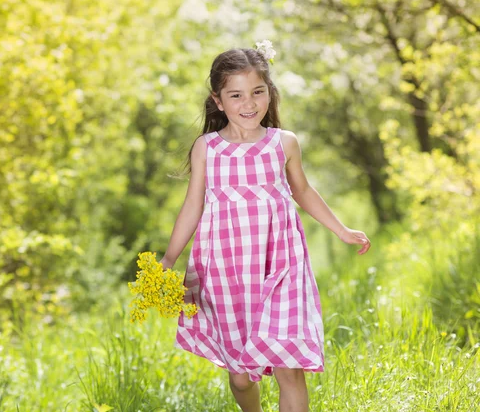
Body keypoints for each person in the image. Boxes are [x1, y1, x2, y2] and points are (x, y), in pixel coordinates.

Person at [159, 43, 371, 412]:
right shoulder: (206, 148)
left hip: (280, 264)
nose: (249, 103)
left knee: (290, 366)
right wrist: (168, 259)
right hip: (225, 270)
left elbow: (302, 190)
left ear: (269, 92)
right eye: (236, 95)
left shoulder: (282, 143)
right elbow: (193, 205)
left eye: (258, 91)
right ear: (218, 101)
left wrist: (342, 230)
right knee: (240, 376)